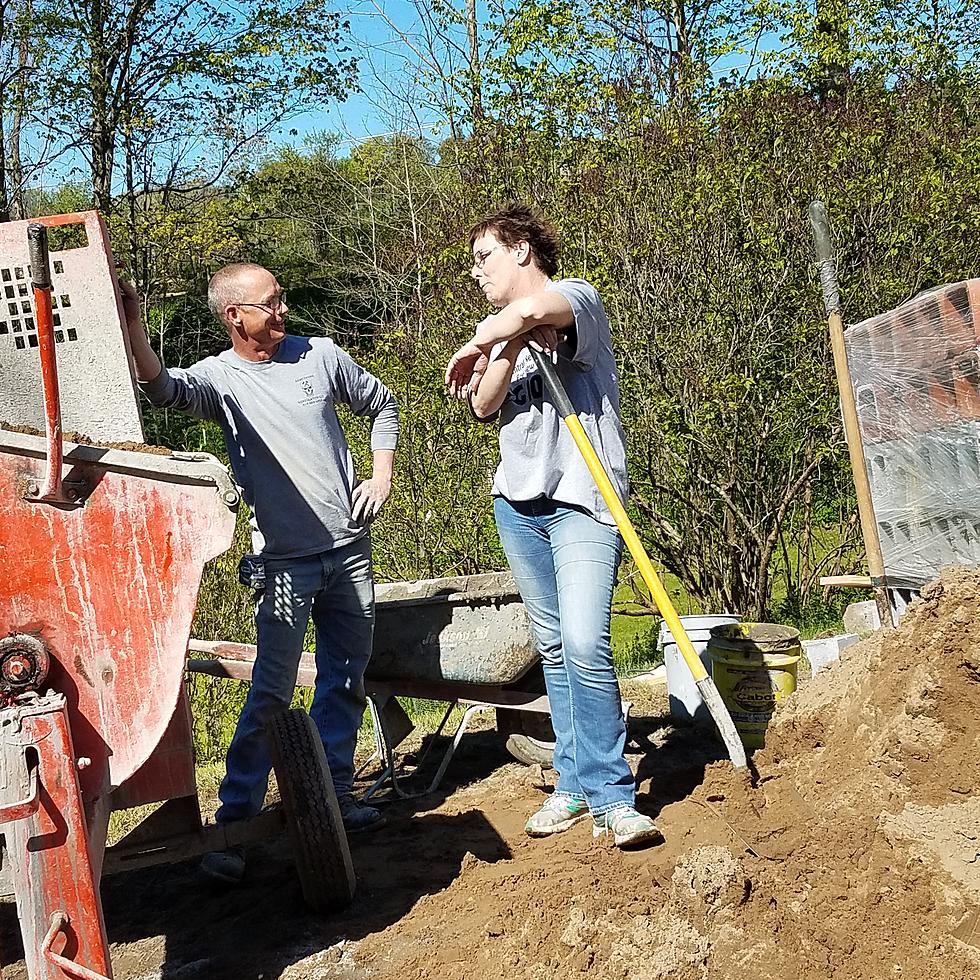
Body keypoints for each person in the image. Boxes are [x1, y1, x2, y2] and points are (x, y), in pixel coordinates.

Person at [121, 263, 398, 882]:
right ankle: (234, 824)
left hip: (350, 552)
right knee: (270, 693)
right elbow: (162, 389)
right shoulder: (220, 380)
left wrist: (379, 474)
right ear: (234, 317)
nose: (282, 311)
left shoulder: (320, 356)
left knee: (345, 678)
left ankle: (336, 795)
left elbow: (383, 405)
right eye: (269, 304)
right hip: (283, 564)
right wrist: (135, 325)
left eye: (281, 300)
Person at [445, 204, 662, 849]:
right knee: (556, 650)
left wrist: (487, 336)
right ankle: (571, 785)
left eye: (484, 258)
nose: (476, 272)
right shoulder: (508, 333)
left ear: (520, 252)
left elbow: (538, 311)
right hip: (519, 503)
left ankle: (613, 797)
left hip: (583, 498)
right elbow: (482, 405)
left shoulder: (578, 302)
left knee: (587, 642)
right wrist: (499, 346)